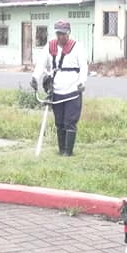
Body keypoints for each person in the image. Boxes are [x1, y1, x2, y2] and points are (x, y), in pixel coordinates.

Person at [30, 20, 87, 156]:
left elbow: (84, 67)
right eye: (58, 34)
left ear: (68, 33)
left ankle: (68, 152)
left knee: (70, 122)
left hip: (73, 91)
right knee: (59, 122)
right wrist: (35, 78)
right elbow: (41, 64)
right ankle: (61, 150)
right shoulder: (50, 47)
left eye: (63, 34)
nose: (60, 37)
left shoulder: (77, 47)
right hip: (57, 91)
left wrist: (82, 82)